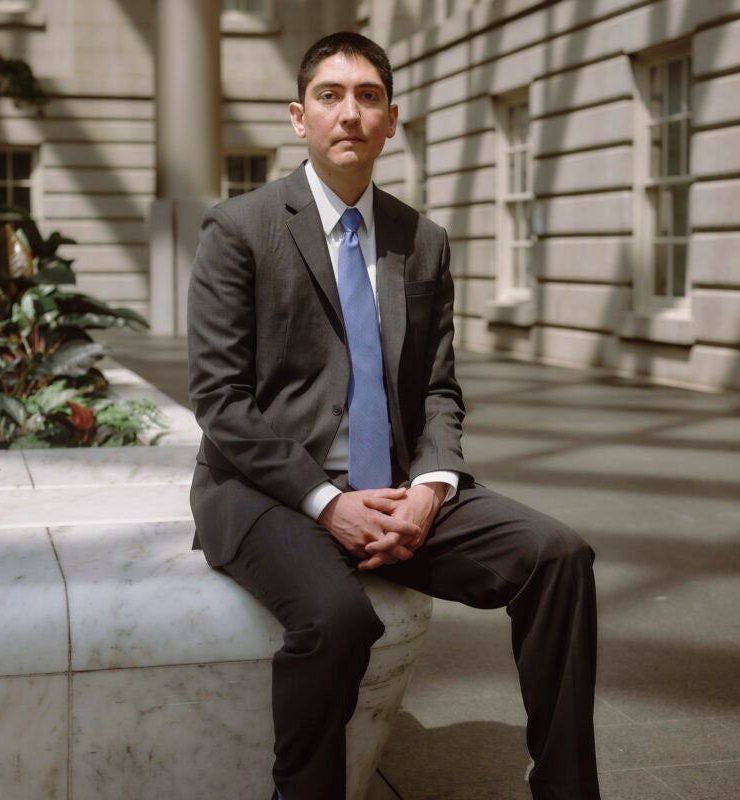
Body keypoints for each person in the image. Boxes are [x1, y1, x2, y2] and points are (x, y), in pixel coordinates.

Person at [187, 31, 601, 800]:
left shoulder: (425, 241)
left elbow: (439, 389)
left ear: (392, 119)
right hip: (270, 491)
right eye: (330, 96)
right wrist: (326, 501)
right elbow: (220, 402)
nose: (350, 113)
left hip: (398, 489)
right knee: (340, 623)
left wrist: (432, 487)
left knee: (560, 558)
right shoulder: (238, 231)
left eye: (368, 97)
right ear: (298, 117)